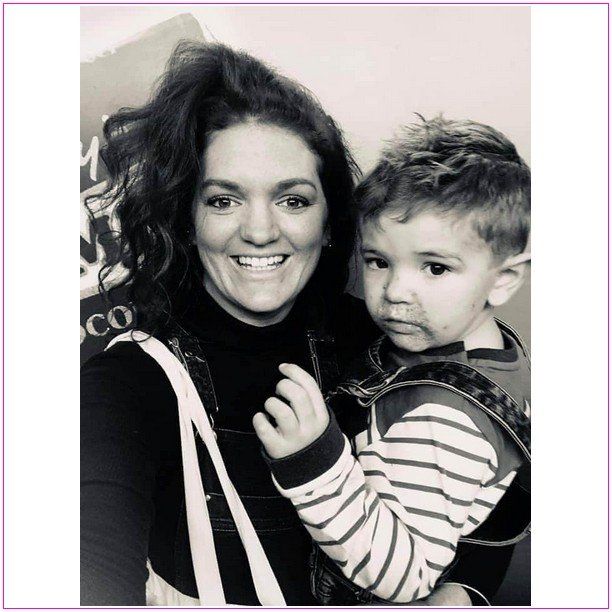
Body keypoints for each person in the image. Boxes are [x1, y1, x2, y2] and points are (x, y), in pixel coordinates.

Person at [81, 42, 515, 606]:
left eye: (292, 200)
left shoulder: (391, 336)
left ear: (332, 220)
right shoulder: (125, 385)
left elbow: (496, 476)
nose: (260, 231)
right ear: (187, 220)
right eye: (223, 201)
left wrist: (464, 591)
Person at [254, 116, 531, 604]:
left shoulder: (442, 418)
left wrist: (313, 461)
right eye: (379, 261)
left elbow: (405, 579)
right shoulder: (487, 349)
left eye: (435, 267)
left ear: (504, 280)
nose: (396, 291)